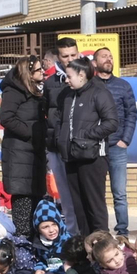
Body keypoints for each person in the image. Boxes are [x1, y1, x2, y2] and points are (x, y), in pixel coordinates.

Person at [50, 57, 117, 235]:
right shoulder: (67, 95)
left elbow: (111, 123)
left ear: (81, 75)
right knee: (78, 206)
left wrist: (87, 136)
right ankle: (86, 248)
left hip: (93, 158)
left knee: (94, 205)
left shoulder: (99, 93)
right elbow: (60, 121)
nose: (66, 80)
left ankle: (102, 245)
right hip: (71, 157)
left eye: (69, 76)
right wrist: (60, 140)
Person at [0, 56, 48, 233]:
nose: (42, 72)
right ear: (28, 72)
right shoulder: (14, 91)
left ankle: (33, 237)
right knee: (23, 197)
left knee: (35, 195)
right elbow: (7, 118)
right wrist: (31, 133)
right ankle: (23, 239)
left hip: (34, 151)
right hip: (19, 151)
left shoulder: (34, 91)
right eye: (38, 69)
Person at [94, 47, 137, 237]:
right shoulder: (90, 85)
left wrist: (125, 140)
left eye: (110, 56)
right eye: (104, 57)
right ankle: (101, 231)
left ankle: (122, 232)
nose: (109, 59)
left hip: (117, 147)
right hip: (95, 148)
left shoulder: (123, 85)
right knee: (97, 193)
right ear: (95, 63)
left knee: (119, 194)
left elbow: (131, 114)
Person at [43, 38, 82, 234]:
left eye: (73, 55)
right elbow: (46, 112)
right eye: (65, 56)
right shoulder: (50, 82)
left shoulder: (88, 77)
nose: (69, 59)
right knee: (65, 196)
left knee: (85, 194)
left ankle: (91, 235)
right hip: (56, 145)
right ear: (58, 57)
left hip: (81, 146)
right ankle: (73, 235)